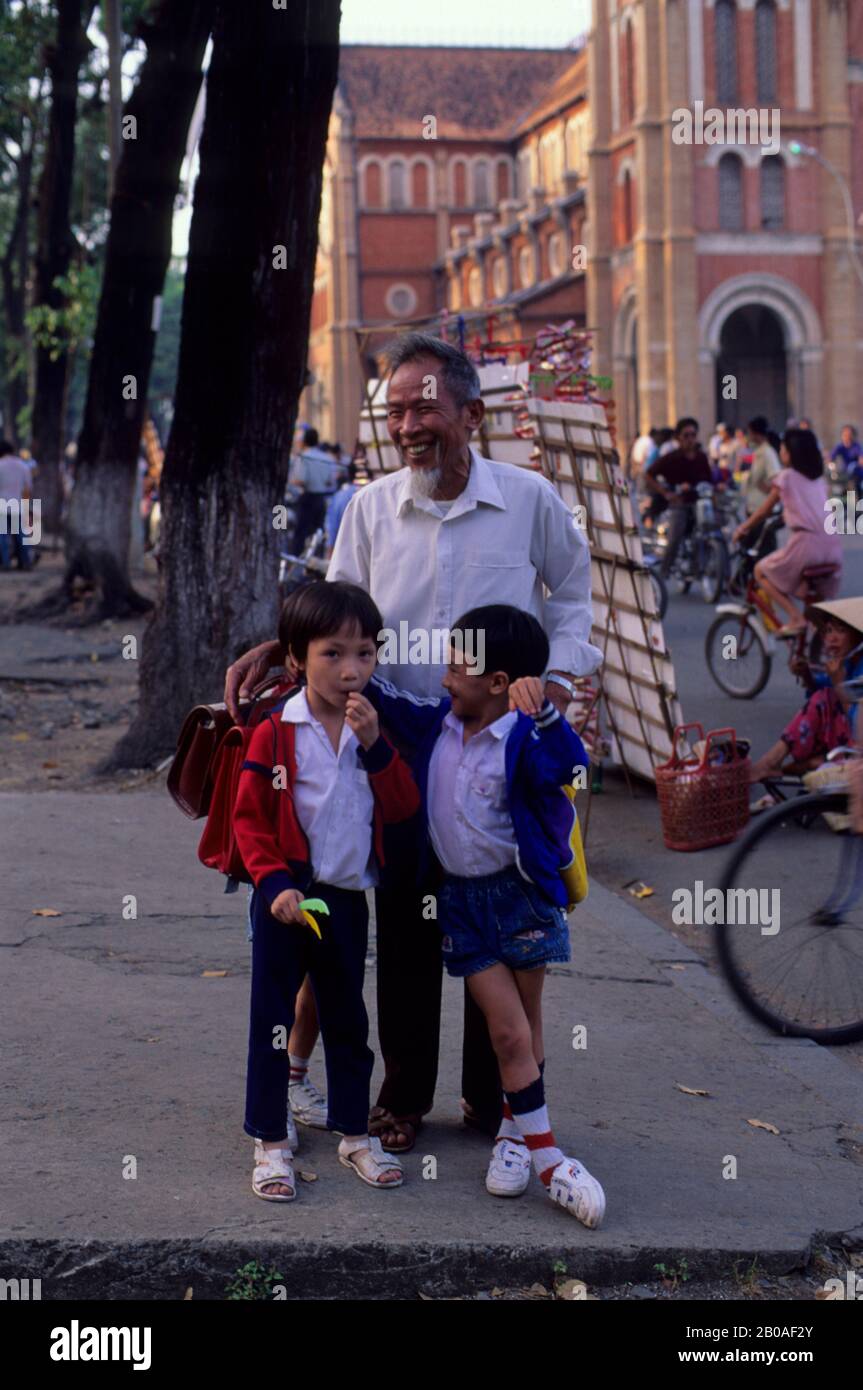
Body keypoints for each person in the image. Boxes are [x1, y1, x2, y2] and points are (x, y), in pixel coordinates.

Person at [225, 331, 602, 1154]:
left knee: (489, 913)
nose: (407, 423)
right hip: (392, 738)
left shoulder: (529, 499)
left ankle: (489, 1097)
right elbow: (337, 613)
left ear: (471, 412)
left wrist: (560, 678)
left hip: (494, 747)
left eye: (424, 404)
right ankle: (399, 1096)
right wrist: (278, 643)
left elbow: (573, 599)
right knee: (401, 918)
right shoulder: (368, 508)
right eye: (394, 409)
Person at [364, 605, 605, 1227]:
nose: (443, 678)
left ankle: (516, 1137)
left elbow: (570, 767)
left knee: (519, 1027)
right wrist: (332, 667)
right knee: (507, 1029)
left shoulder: (525, 738)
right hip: (462, 905)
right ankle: (543, 1150)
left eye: (455, 667)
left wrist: (548, 714)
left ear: (498, 683)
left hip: (518, 897)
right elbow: (388, 700)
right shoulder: (437, 725)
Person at [232, 581, 420, 1200]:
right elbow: (250, 819)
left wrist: (374, 747)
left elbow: (401, 809)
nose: (351, 670)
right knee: (272, 1023)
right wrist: (275, 883)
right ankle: (271, 1143)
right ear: (296, 658)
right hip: (285, 899)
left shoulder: (376, 726)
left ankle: (353, 1135)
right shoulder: (277, 730)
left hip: (343, 898)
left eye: (364, 654)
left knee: (348, 1018)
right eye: (333, 654)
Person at [733, 428, 842, 635]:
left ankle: (794, 617)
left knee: (760, 571)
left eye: (783, 449)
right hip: (832, 547)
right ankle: (815, 654)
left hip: (807, 546)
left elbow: (764, 510)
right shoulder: (819, 480)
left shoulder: (787, 477)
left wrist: (742, 528)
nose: (781, 452)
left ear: (791, 454)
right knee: (815, 603)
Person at [749, 598, 863, 794]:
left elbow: (857, 723)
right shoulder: (849, 660)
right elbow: (823, 689)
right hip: (850, 741)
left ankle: (798, 762)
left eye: (840, 631)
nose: (831, 639)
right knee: (823, 695)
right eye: (828, 631)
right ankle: (775, 762)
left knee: (824, 697)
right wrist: (806, 675)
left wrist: (837, 682)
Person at [643, 417, 712, 576]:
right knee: (675, 538)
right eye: (686, 435)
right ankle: (664, 574)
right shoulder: (671, 458)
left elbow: (709, 480)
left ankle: (712, 572)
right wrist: (665, 493)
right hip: (679, 503)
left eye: (693, 435)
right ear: (678, 438)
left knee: (711, 532)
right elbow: (648, 474)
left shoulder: (701, 457)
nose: (690, 439)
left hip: (699, 503)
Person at [290, 427, 338, 552]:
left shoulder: (304, 457)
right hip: (321, 499)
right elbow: (330, 481)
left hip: (307, 498)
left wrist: (291, 481)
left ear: (305, 441)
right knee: (318, 532)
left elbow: (301, 479)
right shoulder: (326, 458)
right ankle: (317, 559)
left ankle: (296, 562)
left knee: (301, 532)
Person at [0, 439, 34, 571]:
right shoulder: (23, 466)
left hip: (2, 503)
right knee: (20, 535)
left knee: (2, 535)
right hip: (17, 503)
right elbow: (28, 487)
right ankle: (25, 561)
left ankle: (6, 563)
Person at [325, 461, 359, 556]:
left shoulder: (340, 496)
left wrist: (330, 553)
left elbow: (332, 528)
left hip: (344, 553)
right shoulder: (374, 496)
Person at [831, 425, 863, 494]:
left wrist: (859, 462)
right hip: (844, 475)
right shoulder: (840, 446)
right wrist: (832, 465)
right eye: (844, 434)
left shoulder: (856, 446)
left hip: (856, 474)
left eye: (849, 434)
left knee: (853, 488)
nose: (846, 437)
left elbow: (861, 458)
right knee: (837, 490)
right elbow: (831, 457)